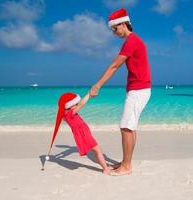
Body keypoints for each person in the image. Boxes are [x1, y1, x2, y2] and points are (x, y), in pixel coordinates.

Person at [89, 8, 151, 176]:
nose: (114, 33)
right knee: (130, 127)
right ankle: (126, 162)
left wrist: (97, 85)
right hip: (139, 89)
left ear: (123, 24)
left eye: (115, 29)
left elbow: (114, 66)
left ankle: (127, 167)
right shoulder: (134, 41)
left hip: (139, 90)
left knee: (125, 127)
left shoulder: (132, 41)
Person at [51, 92, 111, 175]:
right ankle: (105, 169)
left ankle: (104, 164)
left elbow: (64, 153)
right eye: (75, 103)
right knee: (98, 151)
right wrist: (89, 95)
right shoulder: (70, 113)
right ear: (69, 105)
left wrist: (60, 155)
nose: (76, 105)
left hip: (83, 133)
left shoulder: (65, 115)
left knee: (97, 150)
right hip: (83, 134)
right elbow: (81, 104)